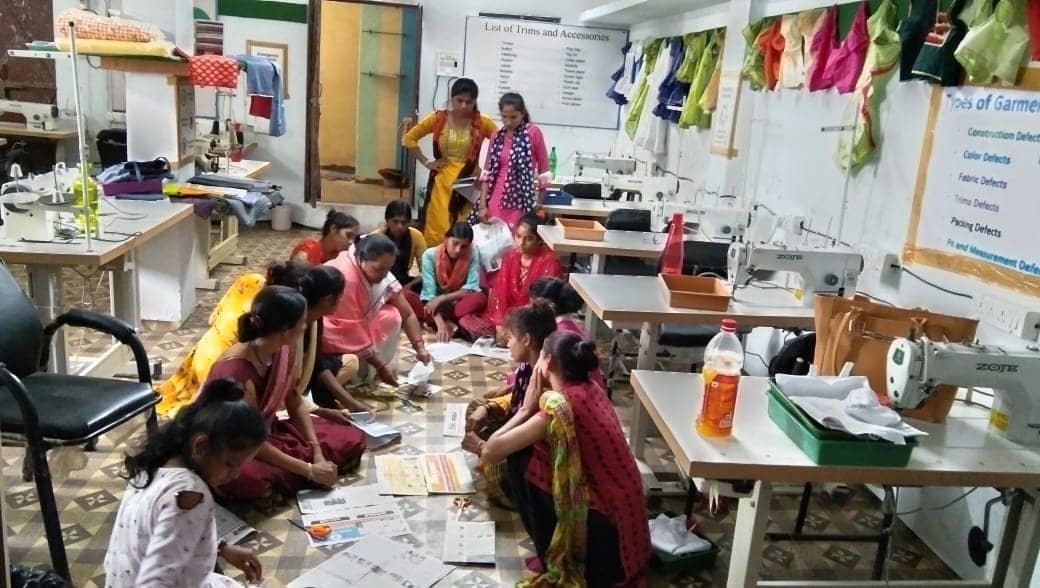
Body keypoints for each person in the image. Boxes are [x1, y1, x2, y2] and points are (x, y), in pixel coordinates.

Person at [469, 332, 650, 586]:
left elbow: (492, 451)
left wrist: (525, 409)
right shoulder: (592, 388)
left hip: (607, 543)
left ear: (548, 361)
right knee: (534, 452)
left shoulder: (562, 405)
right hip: (629, 533)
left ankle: (554, 557)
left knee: (519, 457)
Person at [204, 286, 366, 504]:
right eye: (302, 322)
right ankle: (297, 478)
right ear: (286, 330)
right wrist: (309, 469)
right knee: (245, 479)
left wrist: (316, 451)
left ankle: (290, 481)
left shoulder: (282, 350)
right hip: (236, 445)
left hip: (270, 431)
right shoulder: (235, 373)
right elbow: (248, 440)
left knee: (350, 437)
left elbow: (294, 400)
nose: (306, 326)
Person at [105, 379, 267, 587]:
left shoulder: (151, 464)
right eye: (230, 464)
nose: (235, 475)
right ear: (201, 446)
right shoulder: (191, 495)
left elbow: (165, 535)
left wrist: (220, 548)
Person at [463, 301, 557, 509]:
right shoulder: (529, 367)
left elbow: (528, 422)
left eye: (510, 338)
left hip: (535, 448)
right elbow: (516, 398)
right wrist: (487, 407)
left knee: (496, 469)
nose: (507, 344)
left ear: (526, 339)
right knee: (476, 408)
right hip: (521, 426)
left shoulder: (547, 381)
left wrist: (483, 448)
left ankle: (517, 496)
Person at [323, 234, 432, 386]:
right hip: (331, 333)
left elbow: (407, 313)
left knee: (393, 315)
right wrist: (381, 365)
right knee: (350, 363)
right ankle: (353, 375)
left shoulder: (379, 271)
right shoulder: (348, 279)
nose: (384, 276)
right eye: (379, 269)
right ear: (361, 258)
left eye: (388, 269)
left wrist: (420, 348)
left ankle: (368, 372)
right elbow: (350, 331)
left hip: (355, 328)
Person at [403, 77, 498, 246]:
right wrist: (427, 162)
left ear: (475, 102)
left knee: (463, 232)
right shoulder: (438, 118)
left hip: (468, 186)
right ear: (451, 98)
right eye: (459, 100)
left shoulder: (483, 122)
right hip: (442, 184)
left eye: (469, 102)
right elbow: (409, 138)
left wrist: (485, 172)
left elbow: (503, 144)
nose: (464, 105)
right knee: (438, 230)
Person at [477, 93, 550, 230]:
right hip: (496, 200)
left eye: (513, 117)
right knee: (496, 240)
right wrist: (482, 206)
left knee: (518, 238)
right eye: (504, 117)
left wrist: (539, 203)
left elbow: (544, 170)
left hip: (522, 201)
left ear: (522, 114)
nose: (508, 122)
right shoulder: (497, 136)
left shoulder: (533, 133)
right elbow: (486, 173)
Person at [486, 215, 562, 345]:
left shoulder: (550, 261)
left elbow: (546, 303)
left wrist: (519, 324)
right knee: (483, 329)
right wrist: (500, 324)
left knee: (528, 340)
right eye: (518, 236)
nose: (521, 243)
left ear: (540, 240)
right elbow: (500, 294)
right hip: (510, 316)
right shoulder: (510, 257)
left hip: (534, 318)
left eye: (529, 239)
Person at [528, 276, 606, 391]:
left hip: (577, 394)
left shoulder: (558, 334)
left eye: (534, 306)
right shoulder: (571, 325)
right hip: (590, 391)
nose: (531, 311)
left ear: (550, 306)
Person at [419, 222, 487, 342]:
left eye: (464, 246)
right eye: (455, 243)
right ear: (446, 239)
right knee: (408, 297)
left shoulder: (472, 253)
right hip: (435, 305)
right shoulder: (429, 255)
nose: (458, 250)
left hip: (457, 302)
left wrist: (442, 298)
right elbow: (428, 296)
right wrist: (441, 326)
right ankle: (454, 323)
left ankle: (447, 321)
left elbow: (471, 288)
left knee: (478, 299)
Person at [375, 200, 427, 318]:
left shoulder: (416, 236)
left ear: (410, 222)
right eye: (395, 222)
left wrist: (408, 286)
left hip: (404, 281)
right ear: (387, 220)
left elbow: (426, 270)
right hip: (382, 282)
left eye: (404, 222)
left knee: (428, 284)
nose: (400, 227)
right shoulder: (377, 237)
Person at [291, 210, 360, 265]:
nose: (351, 242)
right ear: (333, 229)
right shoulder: (308, 250)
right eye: (348, 235)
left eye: (354, 238)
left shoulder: (340, 254)